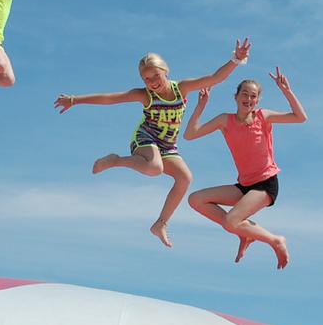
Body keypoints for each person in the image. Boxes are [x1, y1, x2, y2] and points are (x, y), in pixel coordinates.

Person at [54, 39, 252, 247]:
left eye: (155, 76)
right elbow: (110, 98)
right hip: (145, 139)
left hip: (167, 146)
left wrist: (236, 59)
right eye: (146, 79)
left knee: (185, 178)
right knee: (154, 167)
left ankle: (160, 224)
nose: (152, 82)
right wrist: (75, 100)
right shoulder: (145, 95)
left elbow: (215, 78)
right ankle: (116, 160)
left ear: (165, 71)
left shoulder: (181, 89)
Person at [183, 68, 307, 269]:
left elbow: (300, 117)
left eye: (253, 96)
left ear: (257, 101)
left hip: (266, 184)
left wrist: (286, 91)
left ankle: (275, 240)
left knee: (231, 221)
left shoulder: (262, 116)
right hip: (244, 185)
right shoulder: (225, 120)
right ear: (236, 96)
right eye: (245, 94)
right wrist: (201, 105)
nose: (248, 99)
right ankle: (244, 232)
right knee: (195, 200)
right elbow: (190, 134)